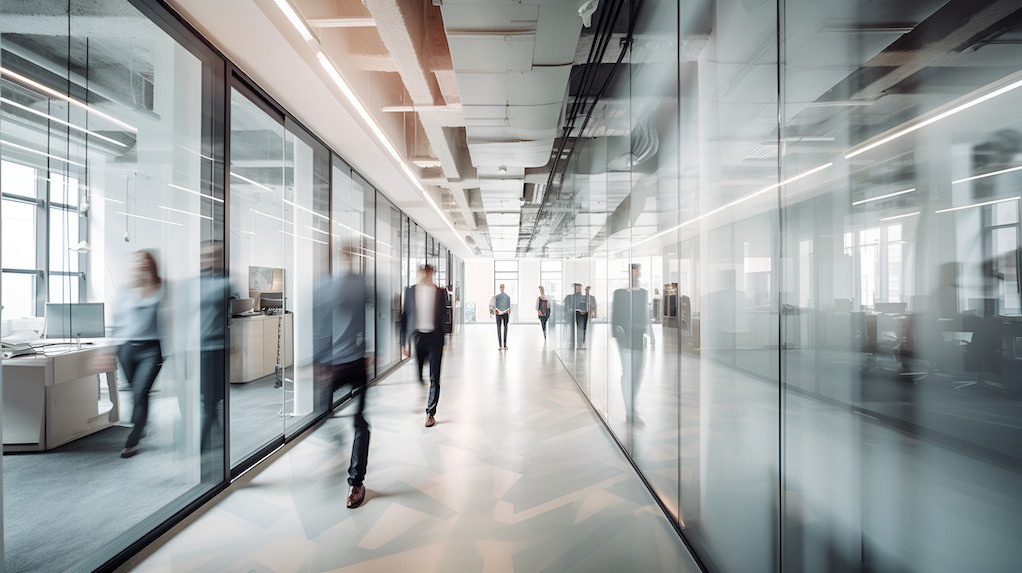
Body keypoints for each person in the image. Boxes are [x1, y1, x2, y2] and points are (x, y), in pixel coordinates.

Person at [313, 243, 371, 508]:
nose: (348, 260)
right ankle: (336, 440)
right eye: (345, 255)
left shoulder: (362, 284)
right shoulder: (327, 285)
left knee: (360, 422)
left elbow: (373, 317)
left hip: (358, 363)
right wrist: (318, 360)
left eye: (352, 256)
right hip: (334, 363)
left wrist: (373, 350)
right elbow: (320, 323)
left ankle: (356, 483)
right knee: (318, 414)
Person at [106, 251, 165, 458]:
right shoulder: (125, 290)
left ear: (152, 265)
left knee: (141, 392)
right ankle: (141, 422)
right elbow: (116, 323)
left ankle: (133, 438)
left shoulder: (163, 288)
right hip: (127, 349)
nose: (141, 264)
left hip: (152, 349)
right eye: (138, 261)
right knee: (135, 392)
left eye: (145, 260)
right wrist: (110, 349)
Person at [401, 265, 451, 427]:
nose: (423, 277)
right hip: (418, 338)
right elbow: (404, 317)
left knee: (434, 377)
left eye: (426, 274)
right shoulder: (410, 292)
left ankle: (430, 412)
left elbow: (445, 316)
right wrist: (404, 341)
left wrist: (445, 339)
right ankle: (423, 389)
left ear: (431, 275)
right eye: (420, 274)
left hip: (435, 339)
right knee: (418, 374)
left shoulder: (440, 292)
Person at [612, 263, 654, 428]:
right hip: (625, 339)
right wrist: (617, 336)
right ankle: (630, 411)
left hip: (638, 338)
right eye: (633, 274)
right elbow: (615, 317)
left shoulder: (642, 293)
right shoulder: (620, 293)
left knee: (638, 374)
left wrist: (652, 337)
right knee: (628, 373)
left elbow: (645, 315)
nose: (636, 277)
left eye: (638, 274)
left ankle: (632, 406)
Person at [563, 283, 583, 349]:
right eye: (577, 288)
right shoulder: (569, 297)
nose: (579, 289)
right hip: (572, 314)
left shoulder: (583, 297)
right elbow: (566, 306)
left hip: (581, 314)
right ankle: (572, 341)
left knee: (580, 328)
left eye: (580, 288)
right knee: (573, 328)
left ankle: (580, 342)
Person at [494, 283, 511, 349]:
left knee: (505, 328)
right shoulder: (497, 297)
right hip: (500, 313)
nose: (502, 288)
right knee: (499, 328)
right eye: (501, 287)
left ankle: (504, 345)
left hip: (504, 314)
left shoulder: (507, 297)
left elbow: (509, 306)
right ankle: (500, 345)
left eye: (502, 287)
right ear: (500, 288)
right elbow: (494, 306)